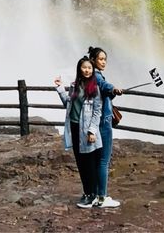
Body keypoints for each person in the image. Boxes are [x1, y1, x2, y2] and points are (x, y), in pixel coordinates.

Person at [54, 56, 102, 208]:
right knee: (81, 163)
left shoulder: (94, 88)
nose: (87, 70)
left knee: (89, 163)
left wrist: (92, 131)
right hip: (74, 128)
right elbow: (68, 105)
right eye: (84, 67)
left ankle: (92, 195)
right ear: (79, 69)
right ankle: (87, 193)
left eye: (89, 68)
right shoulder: (74, 86)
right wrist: (60, 88)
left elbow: (97, 111)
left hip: (86, 131)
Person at [88, 45, 124, 208]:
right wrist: (114, 89)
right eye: (101, 59)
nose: (103, 62)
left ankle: (96, 194)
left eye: (105, 60)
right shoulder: (97, 76)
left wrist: (111, 92)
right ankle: (102, 197)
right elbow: (104, 85)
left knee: (97, 161)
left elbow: (102, 91)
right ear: (93, 60)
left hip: (95, 122)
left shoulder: (90, 76)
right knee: (103, 161)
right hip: (103, 122)